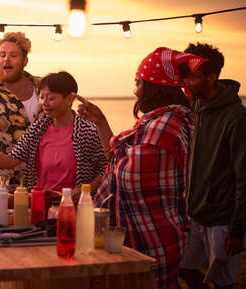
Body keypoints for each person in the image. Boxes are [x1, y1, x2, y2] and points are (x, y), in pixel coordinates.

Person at [77, 47, 207, 289]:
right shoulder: (161, 121)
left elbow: (128, 175)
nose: (135, 89)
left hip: (152, 234)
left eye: (138, 82)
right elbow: (119, 161)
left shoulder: (167, 124)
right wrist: (101, 121)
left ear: (153, 86)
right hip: (154, 231)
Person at [178, 43, 246, 289]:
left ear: (212, 77)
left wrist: (238, 229)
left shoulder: (238, 119)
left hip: (222, 219)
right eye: (185, 76)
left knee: (223, 283)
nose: (187, 82)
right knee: (185, 269)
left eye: (194, 77)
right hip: (196, 214)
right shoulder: (198, 107)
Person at [0, 71, 107, 194]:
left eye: (51, 98)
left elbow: (106, 168)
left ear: (70, 99)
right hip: (41, 203)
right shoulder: (38, 129)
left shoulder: (87, 131)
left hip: (76, 206)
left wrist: (85, 191)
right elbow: (10, 161)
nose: (44, 103)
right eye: (42, 97)